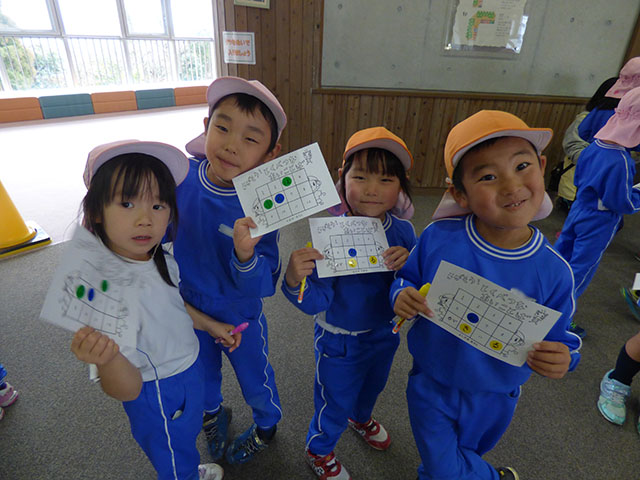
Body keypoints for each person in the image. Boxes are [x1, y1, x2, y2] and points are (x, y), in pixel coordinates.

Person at [390, 110, 582, 480]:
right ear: (459, 193)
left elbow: (563, 339)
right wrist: (401, 295)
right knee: (444, 466)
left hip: (495, 397)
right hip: (431, 382)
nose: (511, 186)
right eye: (488, 176)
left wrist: (565, 358)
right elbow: (406, 279)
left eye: (522, 166)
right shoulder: (438, 238)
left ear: (542, 167)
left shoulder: (554, 271)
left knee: (461, 456)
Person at [70, 140, 239, 480]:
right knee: (172, 456)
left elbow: (172, 305)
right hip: (156, 390)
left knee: (184, 439)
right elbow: (125, 390)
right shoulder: (100, 291)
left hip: (186, 366)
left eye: (159, 204)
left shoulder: (160, 257)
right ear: (97, 211)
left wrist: (208, 325)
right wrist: (107, 358)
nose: (146, 219)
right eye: (127, 203)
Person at [281, 127, 417, 480]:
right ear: (342, 178)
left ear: (401, 186)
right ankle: (319, 449)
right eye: (360, 177)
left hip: (384, 333)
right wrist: (295, 280)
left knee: (374, 385)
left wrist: (409, 266)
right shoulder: (329, 236)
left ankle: (361, 417)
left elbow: (418, 283)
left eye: (386, 179)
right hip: (339, 340)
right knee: (334, 399)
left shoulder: (404, 232)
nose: (372, 189)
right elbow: (316, 300)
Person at [171, 77, 286, 465]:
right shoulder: (181, 178)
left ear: (270, 154)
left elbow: (265, 281)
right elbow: (158, 234)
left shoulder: (264, 204)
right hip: (191, 307)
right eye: (222, 128)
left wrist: (245, 255)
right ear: (206, 127)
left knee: (254, 377)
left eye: (250, 138)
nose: (232, 145)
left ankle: (267, 426)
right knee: (200, 375)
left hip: (240, 313)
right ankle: (212, 414)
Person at [554, 87, 640, 313]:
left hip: (579, 208)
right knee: (581, 268)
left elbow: (581, 178)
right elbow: (621, 202)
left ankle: (543, 300)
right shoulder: (621, 161)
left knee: (561, 255)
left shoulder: (594, 147)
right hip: (599, 220)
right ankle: (560, 316)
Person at [555, 77, 619, 210]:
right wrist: (604, 160)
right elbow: (573, 147)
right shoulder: (585, 119)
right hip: (575, 189)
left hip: (605, 191)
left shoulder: (623, 125)